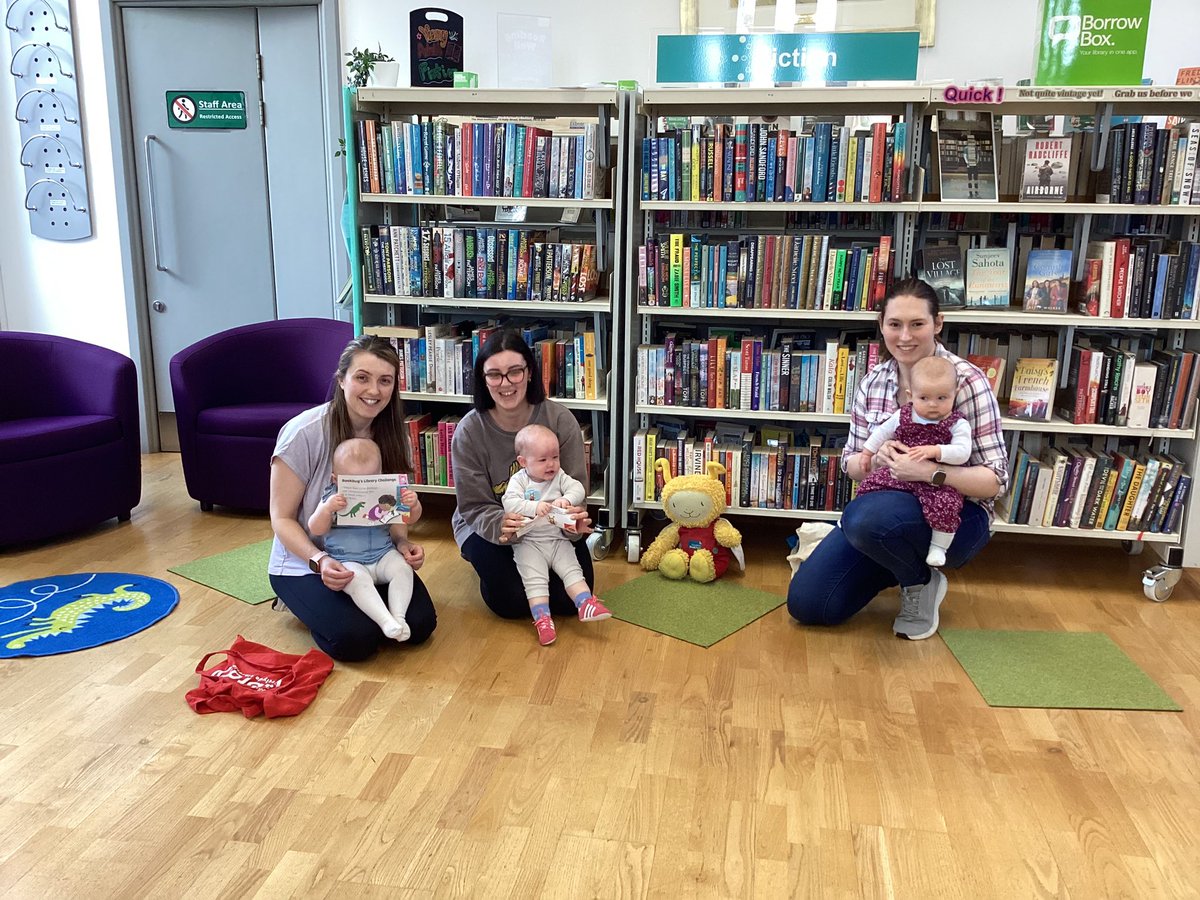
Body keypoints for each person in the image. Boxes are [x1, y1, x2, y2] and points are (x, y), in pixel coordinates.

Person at [787, 278, 1008, 641]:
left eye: (917, 324)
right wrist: (875, 460)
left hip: (955, 518)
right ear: (882, 326)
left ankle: (918, 580)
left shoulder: (968, 381)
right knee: (809, 605)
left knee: (865, 517)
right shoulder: (873, 382)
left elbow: (995, 482)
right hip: (883, 514)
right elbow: (851, 465)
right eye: (895, 324)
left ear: (937, 324)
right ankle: (900, 564)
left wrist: (930, 471)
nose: (905, 336)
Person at [268, 335, 437, 661]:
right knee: (356, 640)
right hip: (306, 562)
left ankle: (368, 610)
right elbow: (282, 518)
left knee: (419, 625)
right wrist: (319, 561)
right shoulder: (304, 433)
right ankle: (297, 600)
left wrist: (402, 544)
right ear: (341, 380)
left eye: (384, 381)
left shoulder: (393, 434)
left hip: (375, 553)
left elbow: (393, 509)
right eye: (362, 377)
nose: (374, 391)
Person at [451, 328, 596, 621]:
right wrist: (501, 525)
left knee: (570, 603)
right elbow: (474, 506)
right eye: (494, 374)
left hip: (551, 528)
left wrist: (571, 522)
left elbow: (575, 488)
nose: (505, 383)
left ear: (529, 373)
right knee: (512, 602)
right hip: (490, 525)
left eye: (514, 372)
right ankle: (491, 566)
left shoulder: (559, 420)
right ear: (483, 379)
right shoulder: (469, 431)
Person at [856, 355, 972, 568]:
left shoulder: (957, 423)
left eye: (942, 398)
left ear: (955, 395)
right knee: (870, 484)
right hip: (900, 473)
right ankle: (848, 520)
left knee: (947, 505)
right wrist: (867, 453)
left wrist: (937, 451)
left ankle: (938, 547)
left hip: (937, 482)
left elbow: (963, 452)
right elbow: (882, 432)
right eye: (924, 398)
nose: (933, 405)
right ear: (911, 396)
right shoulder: (903, 415)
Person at [502, 423, 610, 645]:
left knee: (572, 570)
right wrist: (533, 507)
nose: (550, 464)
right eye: (542, 460)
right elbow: (509, 502)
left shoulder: (559, 476)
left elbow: (579, 487)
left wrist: (567, 499)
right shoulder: (520, 480)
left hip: (558, 538)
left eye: (555, 457)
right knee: (535, 581)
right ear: (523, 462)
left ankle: (586, 604)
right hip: (528, 543)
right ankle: (542, 620)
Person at [308, 437, 421, 642]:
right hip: (348, 560)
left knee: (403, 569)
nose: (362, 489)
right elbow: (315, 528)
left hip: (383, 553)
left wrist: (413, 505)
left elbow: (409, 518)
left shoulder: (387, 493)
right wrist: (326, 510)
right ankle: (385, 620)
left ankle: (399, 617)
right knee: (355, 580)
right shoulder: (331, 497)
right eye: (352, 483)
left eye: (369, 481)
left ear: (380, 475)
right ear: (335, 479)